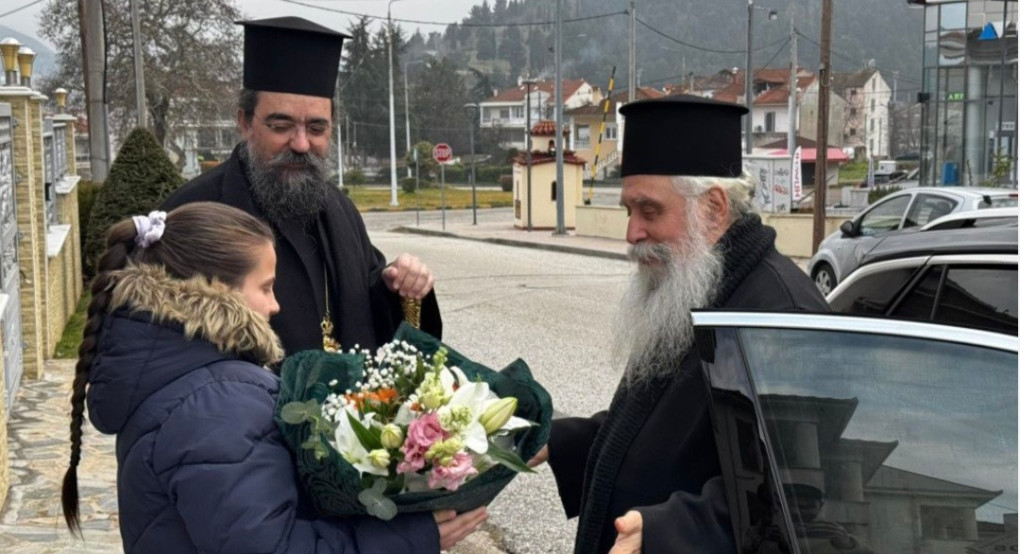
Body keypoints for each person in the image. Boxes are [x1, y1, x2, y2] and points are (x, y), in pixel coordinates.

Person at [59, 202, 486, 552]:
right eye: (266, 287)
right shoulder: (218, 403)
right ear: (214, 291)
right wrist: (411, 538)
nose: (276, 305)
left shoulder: (176, 373)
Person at [528, 96, 829, 554]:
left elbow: (798, 498)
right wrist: (559, 440)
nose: (632, 233)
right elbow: (654, 427)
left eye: (649, 212)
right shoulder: (690, 282)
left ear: (713, 210)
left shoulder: (783, 317)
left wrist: (668, 531)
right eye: (629, 210)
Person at [161, 17, 440, 357]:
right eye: (282, 126)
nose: (302, 144)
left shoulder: (341, 209)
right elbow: (161, 353)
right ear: (245, 122)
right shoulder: (192, 213)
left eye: (317, 128)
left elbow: (372, 317)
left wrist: (401, 286)